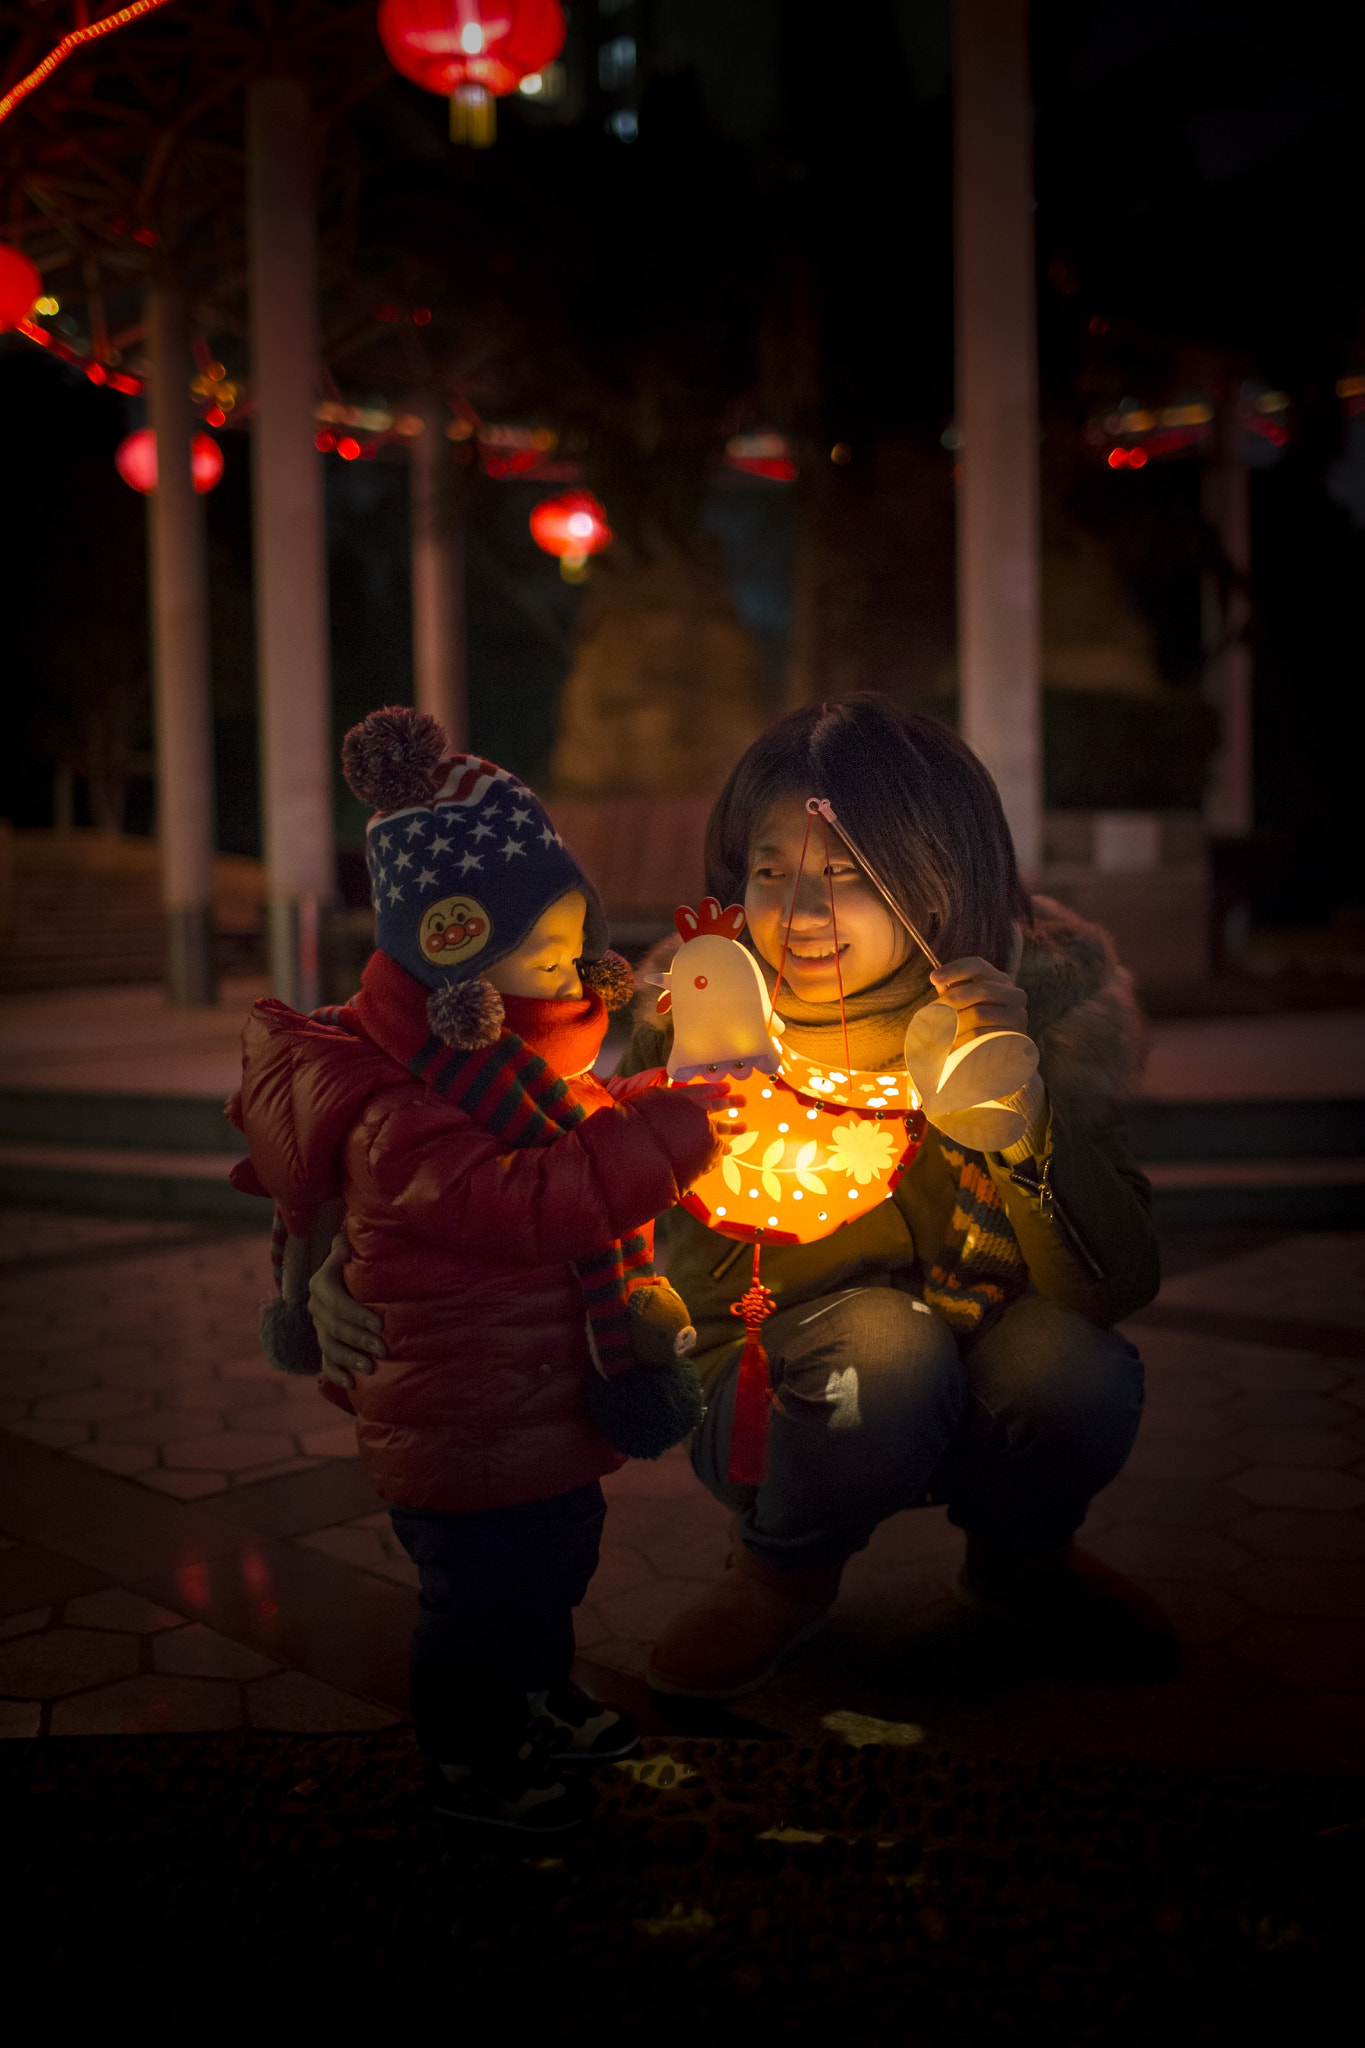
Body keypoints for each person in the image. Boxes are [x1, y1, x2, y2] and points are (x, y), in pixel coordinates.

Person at [310, 696, 1178, 1706]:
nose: (800, 912)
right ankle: (780, 1572)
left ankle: (1024, 1564)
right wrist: (352, 1261)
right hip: (781, 1393)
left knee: (1079, 1368)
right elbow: (536, 1164)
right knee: (881, 1347)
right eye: (773, 870)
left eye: (850, 874)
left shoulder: (1021, 1023)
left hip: (988, 1374)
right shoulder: (702, 1020)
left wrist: (1022, 1120)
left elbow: (1115, 1279)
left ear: (939, 883)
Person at [231, 708, 722, 1830]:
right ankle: (470, 1750)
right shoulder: (411, 1107)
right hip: (456, 1420)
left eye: (568, 917)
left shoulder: (525, 1067)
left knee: (554, 1562)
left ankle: (538, 1698)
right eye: (530, 926)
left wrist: (644, 1110)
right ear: (449, 940)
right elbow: (527, 1202)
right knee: (478, 1600)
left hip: (534, 1406)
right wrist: (673, 1135)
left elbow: (577, 1139)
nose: (563, 943)